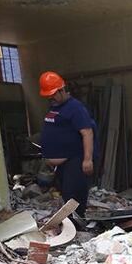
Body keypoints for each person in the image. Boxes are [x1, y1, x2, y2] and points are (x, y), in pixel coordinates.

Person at [38, 71, 98, 218]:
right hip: (63, 164)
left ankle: (76, 223)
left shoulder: (75, 108)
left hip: (75, 159)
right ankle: (71, 222)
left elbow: (87, 133)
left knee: (74, 194)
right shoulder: (55, 106)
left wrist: (87, 159)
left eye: (53, 94)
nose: (50, 98)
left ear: (62, 90)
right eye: (48, 96)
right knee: (66, 194)